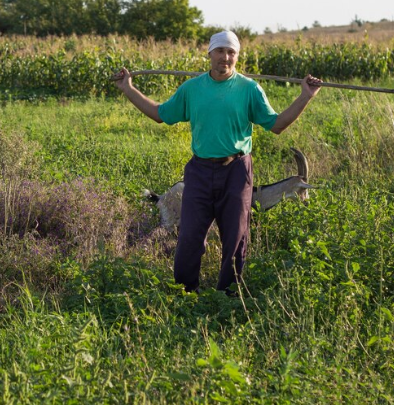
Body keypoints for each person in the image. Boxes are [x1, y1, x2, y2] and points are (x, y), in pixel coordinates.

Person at [115, 30, 322, 295]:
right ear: (210, 53)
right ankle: (186, 292)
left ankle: (228, 294)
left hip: (236, 170)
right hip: (200, 171)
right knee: (189, 236)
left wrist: (306, 95)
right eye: (220, 51)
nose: (225, 57)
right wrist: (128, 89)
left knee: (235, 236)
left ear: (237, 56)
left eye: (231, 52)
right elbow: (159, 114)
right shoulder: (192, 88)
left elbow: (277, 125)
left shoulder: (249, 89)